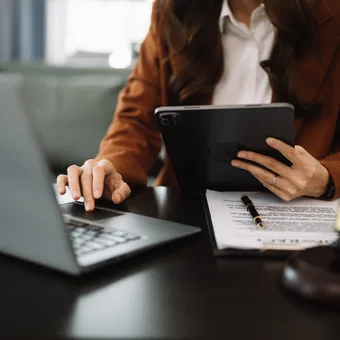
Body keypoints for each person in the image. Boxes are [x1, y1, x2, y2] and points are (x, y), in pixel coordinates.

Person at [57, 0, 340, 212]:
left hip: (297, 218)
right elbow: (136, 122)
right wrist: (110, 167)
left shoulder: (331, 15)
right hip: (188, 214)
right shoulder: (173, 11)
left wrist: (326, 179)